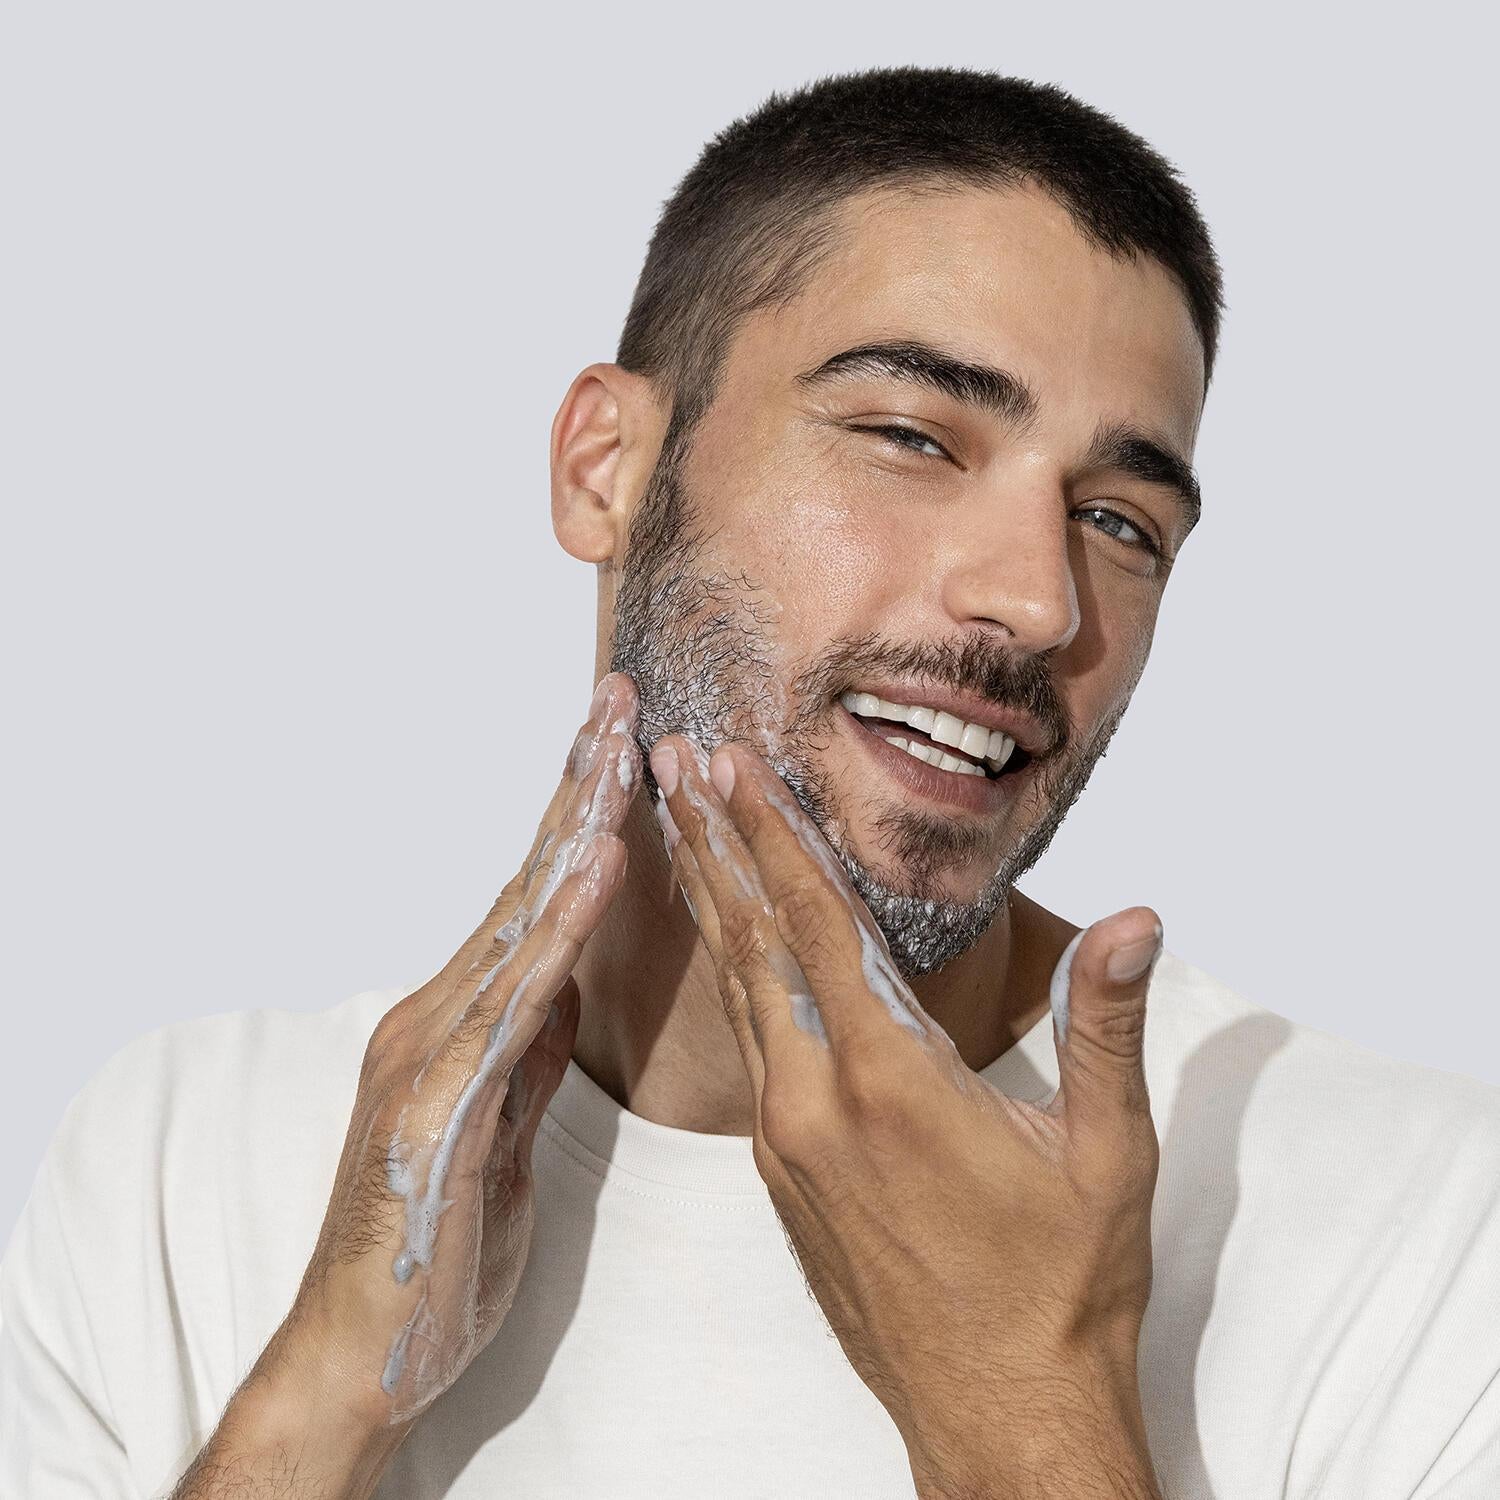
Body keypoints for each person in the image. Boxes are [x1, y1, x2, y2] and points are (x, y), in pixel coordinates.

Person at [3, 64, 1498, 1500]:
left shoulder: (1415, 1231)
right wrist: (325, 1392)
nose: (1039, 601)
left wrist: (1020, 1412)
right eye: (911, 437)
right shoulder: (182, 1164)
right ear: (606, 467)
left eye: (1120, 523)